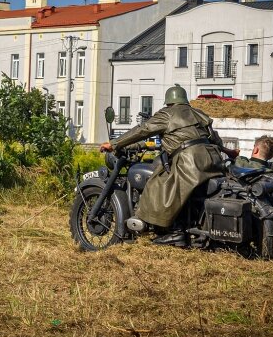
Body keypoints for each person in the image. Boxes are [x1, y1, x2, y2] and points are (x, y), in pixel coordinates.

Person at [99, 85, 239, 245]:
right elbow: (214, 138)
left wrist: (114, 143)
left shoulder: (167, 114)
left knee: (158, 182)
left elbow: (142, 130)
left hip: (190, 159)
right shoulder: (198, 113)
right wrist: (229, 152)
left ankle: (174, 232)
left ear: (169, 102)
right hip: (213, 159)